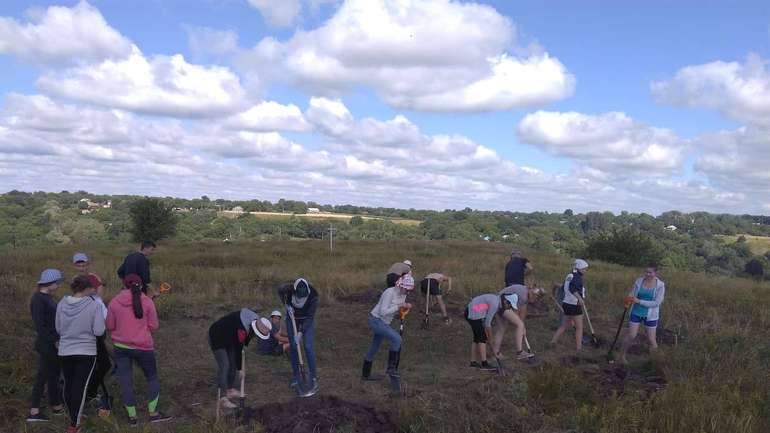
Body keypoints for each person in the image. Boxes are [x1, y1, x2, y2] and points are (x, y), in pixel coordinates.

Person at [106, 274, 171, 426]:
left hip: (121, 348)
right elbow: (154, 326)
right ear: (141, 286)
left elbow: (109, 326)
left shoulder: (114, 302)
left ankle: (132, 417)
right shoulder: (147, 302)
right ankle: (153, 413)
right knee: (152, 378)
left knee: (126, 382)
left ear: (124, 285)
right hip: (144, 347)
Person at [56, 276, 106, 433]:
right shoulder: (94, 305)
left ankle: (73, 415)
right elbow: (99, 331)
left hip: (65, 350)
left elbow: (58, 328)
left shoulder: (61, 303)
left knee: (69, 385)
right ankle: (74, 424)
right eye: (92, 288)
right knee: (81, 387)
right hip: (86, 351)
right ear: (87, 289)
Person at [208, 308, 271, 409]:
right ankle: (222, 398)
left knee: (232, 364)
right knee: (225, 365)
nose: (256, 336)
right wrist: (240, 369)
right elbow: (239, 348)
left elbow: (243, 342)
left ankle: (229, 389)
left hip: (230, 337)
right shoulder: (242, 328)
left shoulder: (257, 320)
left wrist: (238, 367)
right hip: (217, 336)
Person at [73, 253, 111, 413]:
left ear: (88, 264)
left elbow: (100, 297)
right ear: (75, 266)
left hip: (96, 323)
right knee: (95, 362)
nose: (82, 268)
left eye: (84, 265)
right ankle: (88, 393)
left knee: (100, 361)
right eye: (78, 265)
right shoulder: (75, 280)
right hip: (84, 329)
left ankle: (90, 391)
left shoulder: (94, 277)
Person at [27, 269, 65, 422]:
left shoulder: (47, 297)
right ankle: (34, 411)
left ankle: (55, 405)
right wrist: (53, 340)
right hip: (47, 345)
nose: (58, 285)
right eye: (57, 282)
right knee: (43, 376)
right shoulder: (38, 299)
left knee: (52, 375)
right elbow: (40, 326)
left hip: (51, 343)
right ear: (49, 283)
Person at [361, 275, 414, 381]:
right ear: (400, 285)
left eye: (410, 290)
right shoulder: (389, 293)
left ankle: (365, 375)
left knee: (374, 347)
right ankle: (391, 368)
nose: (407, 292)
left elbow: (395, 313)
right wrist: (399, 306)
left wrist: (402, 312)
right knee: (397, 339)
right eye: (406, 289)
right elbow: (383, 312)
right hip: (376, 320)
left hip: (385, 323)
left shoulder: (403, 295)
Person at [278, 278, 319, 392]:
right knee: (294, 347)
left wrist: (300, 332)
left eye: (304, 295)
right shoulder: (288, 289)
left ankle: (313, 377)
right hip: (292, 319)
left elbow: (310, 317)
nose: (301, 297)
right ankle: (296, 376)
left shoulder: (313, 296)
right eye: (299, 295)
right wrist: (286, 305)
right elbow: (279, 290)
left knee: (308, 347)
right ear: (295, 290)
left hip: (307, 320)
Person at [620, 264, 666, 364]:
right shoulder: (639, 281)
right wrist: (629, 298)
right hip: (636, 312)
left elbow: (657, 303)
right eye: (646, 272)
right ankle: (622, 355)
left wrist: (639, 301)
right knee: (632, 335)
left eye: (650, 272)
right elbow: (633, 293)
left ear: (655, 273)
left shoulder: (660, 285)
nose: (647, 274)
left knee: (651, 339)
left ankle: (655, 362)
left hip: (651, 315)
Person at [465, 292, 518, 370]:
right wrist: (491, 338)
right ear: (505, 301)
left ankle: (473, 363)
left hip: (473, 312)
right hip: (472, 313)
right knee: (482, 338)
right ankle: (484, 364)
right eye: (509, 306)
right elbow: (487, 323)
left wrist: (490, 337)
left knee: (477, 338)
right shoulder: (495, 304)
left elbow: (486, 317)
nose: (509, 308)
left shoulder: (496, 301)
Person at [492, 284, 541, 360]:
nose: (534, 300)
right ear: (532, 293)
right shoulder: (523, 295)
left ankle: (496, 353)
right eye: (535, 297)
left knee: (501, 329)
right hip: (502, 302)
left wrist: (522, 327)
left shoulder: (524, 291)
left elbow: (520, 312)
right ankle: (520, 352)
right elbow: (516, 312)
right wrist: (522, 327)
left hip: (496, 303)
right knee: (519, 325)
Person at [550, 259, 589, 351]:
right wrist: (579, 298)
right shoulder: (577, 277)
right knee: (579, 328)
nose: (585, 271)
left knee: (563, 325)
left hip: (566, 304)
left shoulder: (569, 275)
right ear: (579, 268)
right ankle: (579, 348)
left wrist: (555, 286)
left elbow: (564, 287)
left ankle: (552, 342)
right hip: (574, 305)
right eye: (584, 269)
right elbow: (572, 288)